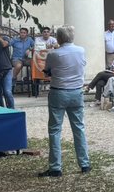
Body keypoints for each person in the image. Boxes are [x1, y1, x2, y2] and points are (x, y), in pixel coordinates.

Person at [38, 26, 90, 177]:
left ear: (59, 38)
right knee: (79, 128)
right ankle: (84, 163)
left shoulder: (54, 54)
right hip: (76, 91)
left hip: (59, 91)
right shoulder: (81, 50)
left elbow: (48, 71)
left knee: (55, 130)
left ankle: (55, 167)